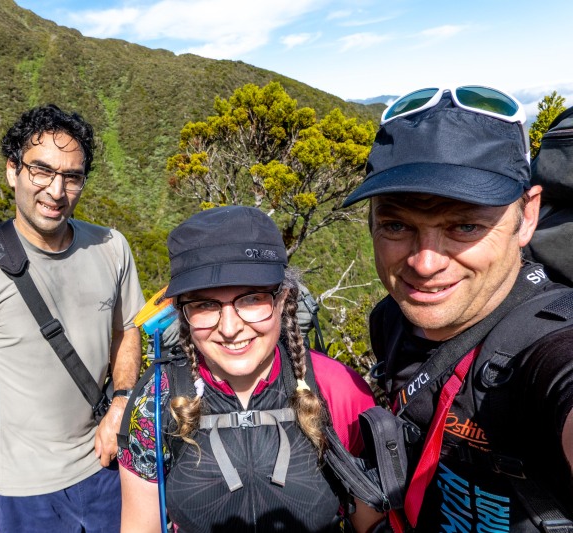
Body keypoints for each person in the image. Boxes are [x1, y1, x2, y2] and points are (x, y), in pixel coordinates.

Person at [342, 86, 573, 531]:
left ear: (527, 217)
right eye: (396, 225)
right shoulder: (390, 320)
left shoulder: (547, 344)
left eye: (465, 225)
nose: (425, 264)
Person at [0, 104, 145, 533]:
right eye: (41, 171)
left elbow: (127, 332)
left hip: (107, 464)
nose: (56, 190)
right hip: (21, 490)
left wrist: (121, 401)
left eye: (72, 177)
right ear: (13, 171)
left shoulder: (111, 248)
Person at [118, 205, 384, 532]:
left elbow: (372, 523)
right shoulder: (157, 400)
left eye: (251, 299)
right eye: (204, 304)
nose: (230, 328)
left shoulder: (338, 388)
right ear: (182, 312)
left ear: (284, 299)